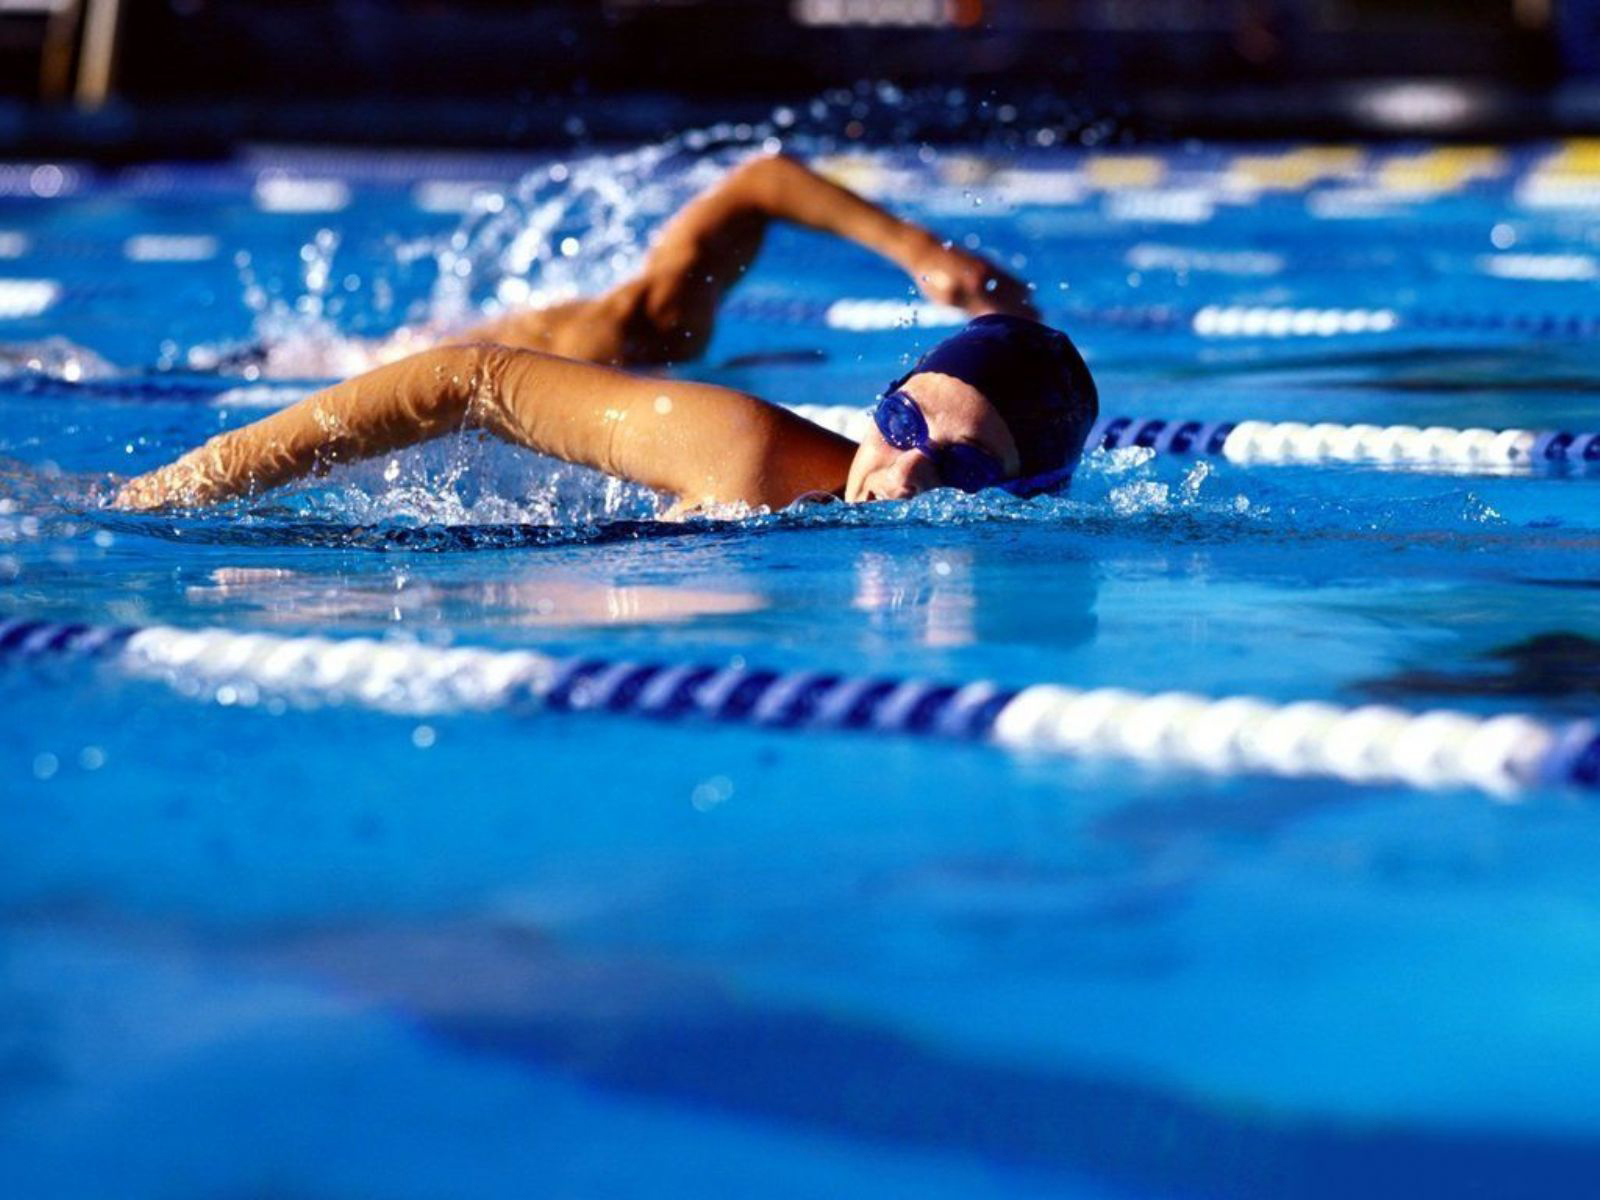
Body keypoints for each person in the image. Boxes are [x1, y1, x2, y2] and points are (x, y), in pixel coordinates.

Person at [113, 153, 1097, 514]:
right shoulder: (681, 377)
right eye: (902, 421)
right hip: (356, 372)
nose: (908, 473)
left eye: (965, 470)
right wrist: (174, 490)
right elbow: (466, 379)